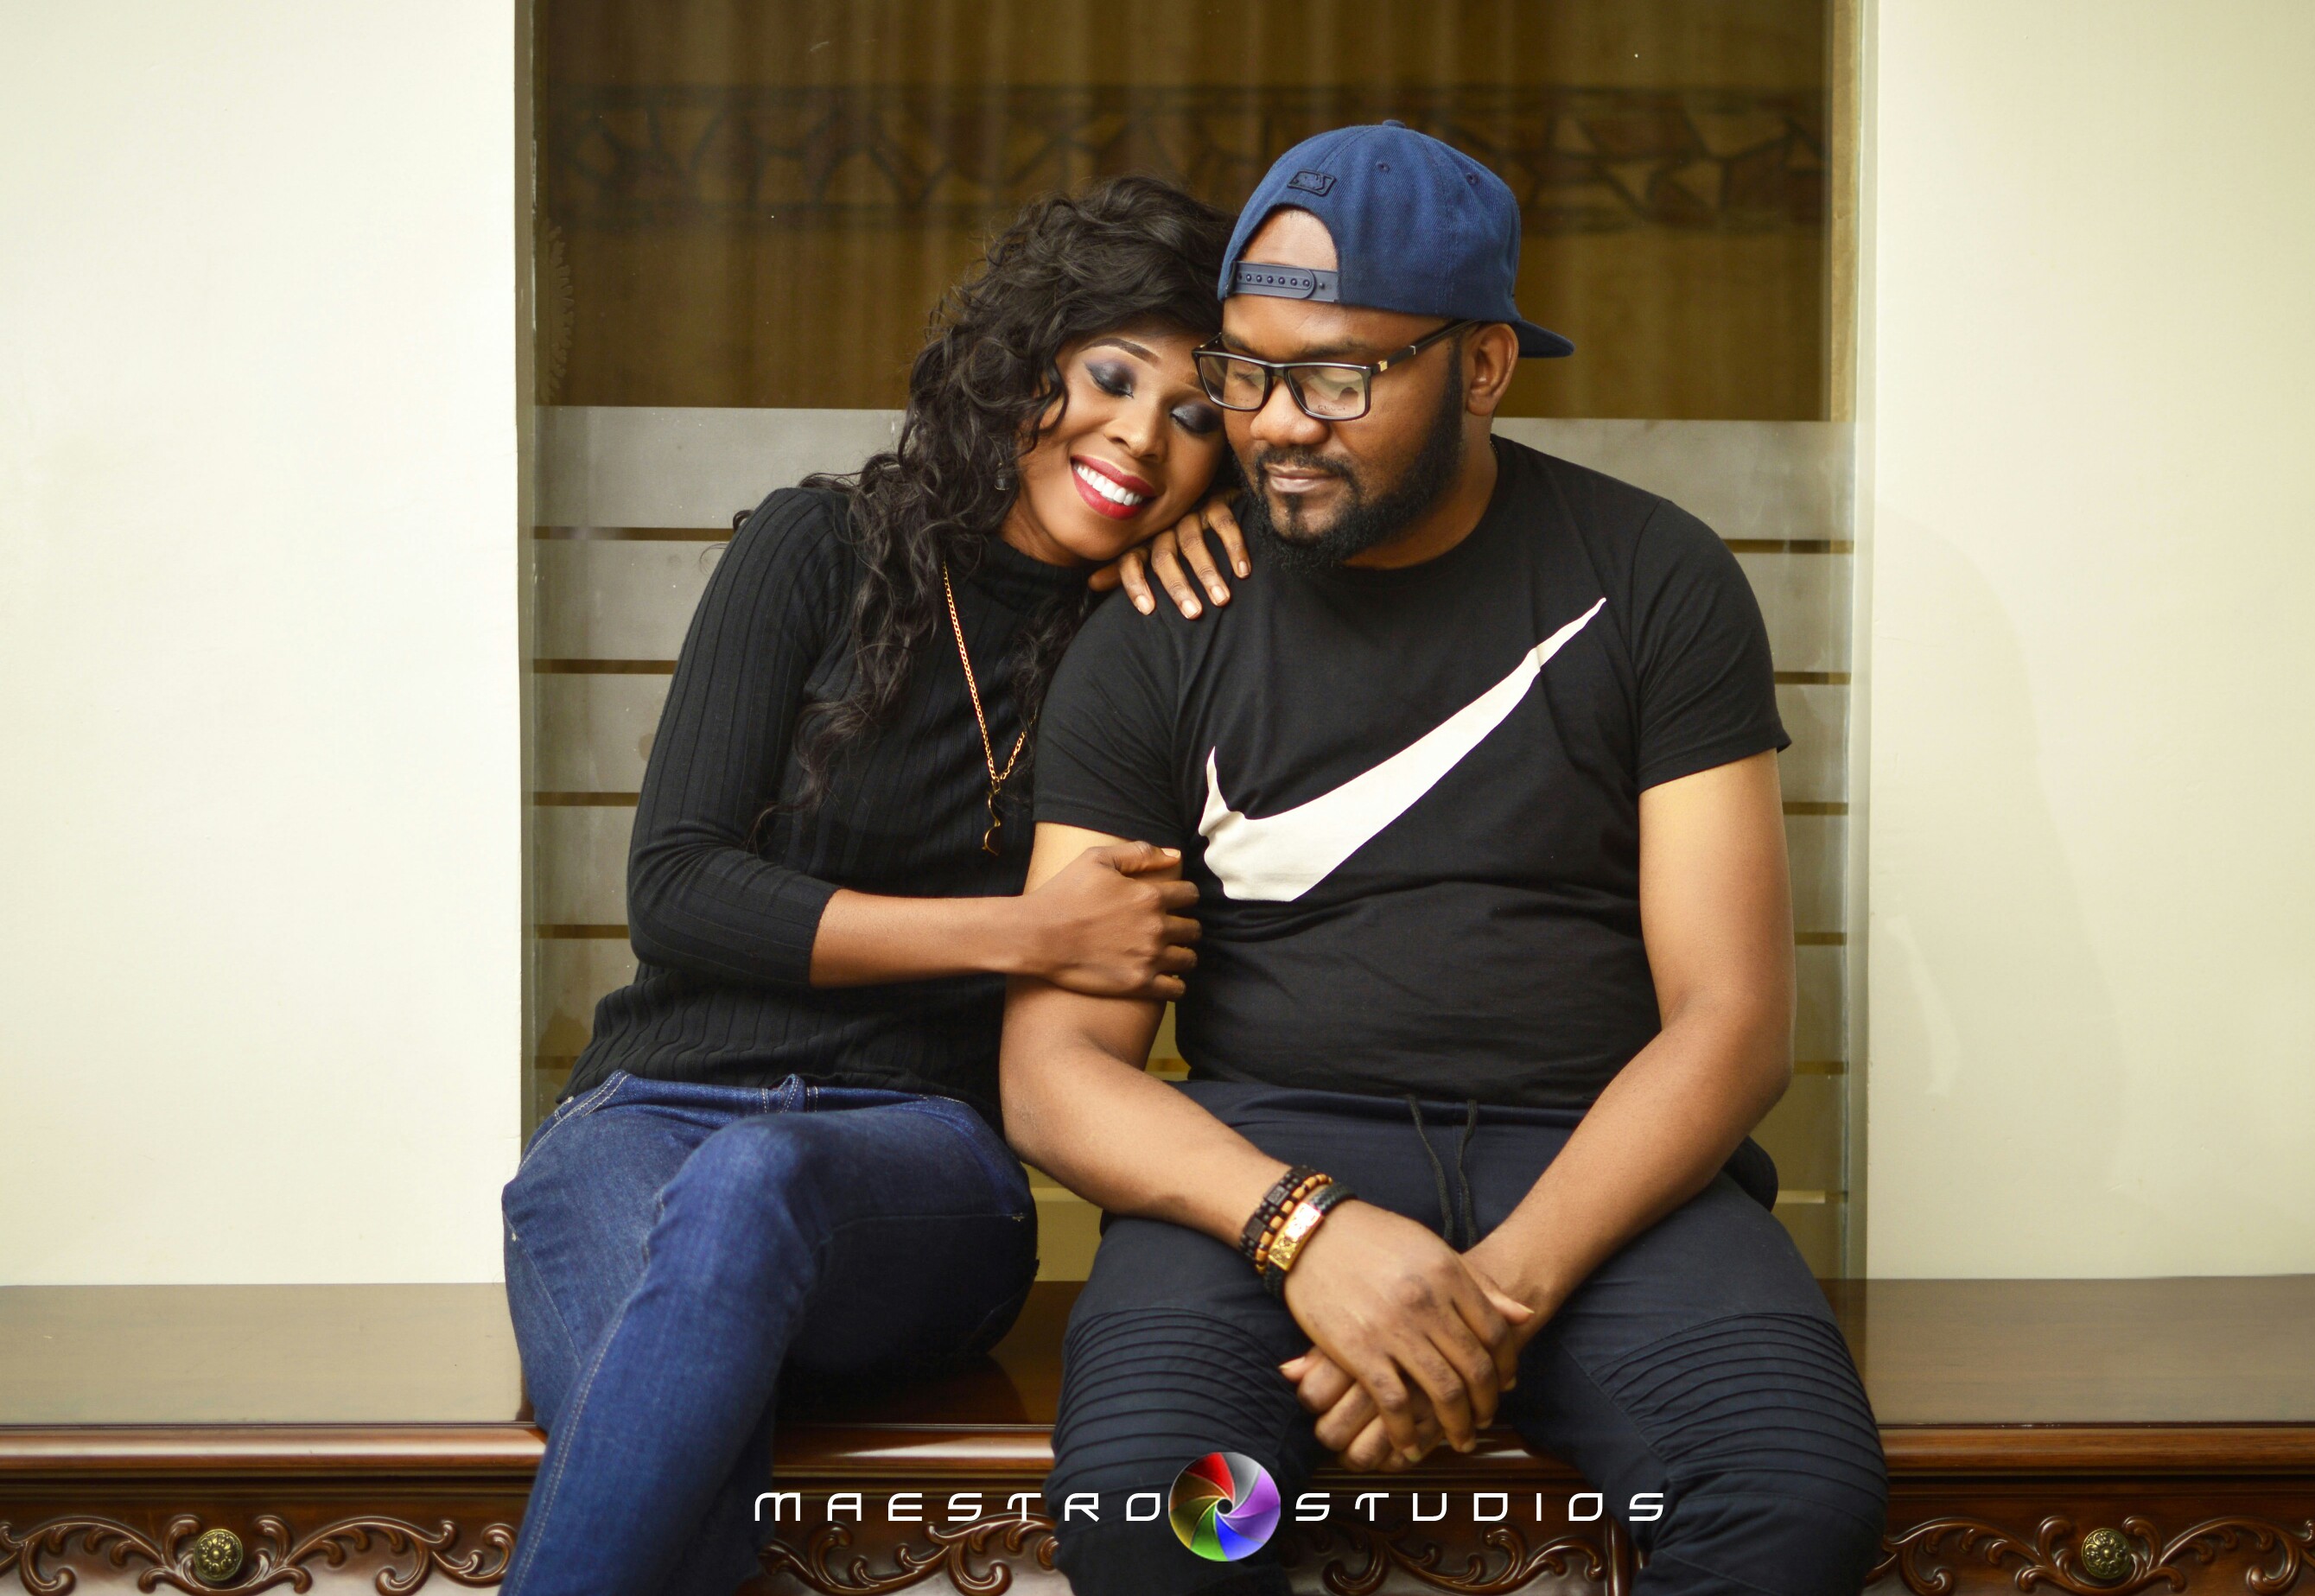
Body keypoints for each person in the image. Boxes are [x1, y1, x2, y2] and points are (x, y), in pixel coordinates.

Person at [1002, 125, 1890, 1596]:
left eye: (1336, 378)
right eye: (1247, 370)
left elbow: (1731, 1020)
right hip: (1263, 1166)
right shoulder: (1163, 625)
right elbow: (1055, 1073)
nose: (1276, 425)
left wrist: (1480, 1300)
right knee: (1161, 1522)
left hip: (1600, 1166)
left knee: (1786, 1507)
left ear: (1481, 366)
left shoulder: (1651, 577)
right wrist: (1308, 1234)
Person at [498, 175, 1245, 1596]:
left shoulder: (1156, 643)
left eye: (1197, 416)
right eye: (1110, 377)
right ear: (1024, 361)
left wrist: (1248, 561)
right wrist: (1026, 931)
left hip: (919, 1166)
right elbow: (678, 889)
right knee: (671, 1415)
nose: (1141, 437)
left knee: (754, 1184)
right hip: (641, 1121)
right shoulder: (814, 548)